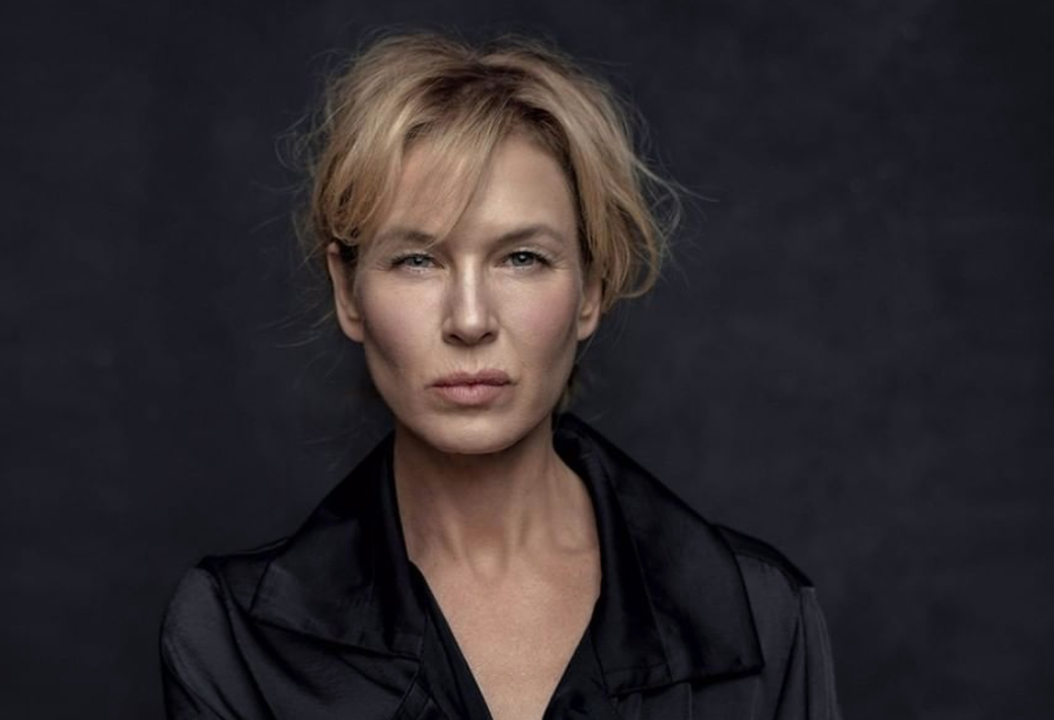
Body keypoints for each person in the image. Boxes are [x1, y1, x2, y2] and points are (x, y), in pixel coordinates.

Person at [160, 31, 843, 720]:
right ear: (348, 290)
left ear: (591, 289)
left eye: (522, 258)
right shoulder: (235, 636)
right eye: (417, 260)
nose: (470, 319)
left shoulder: (763, 617)